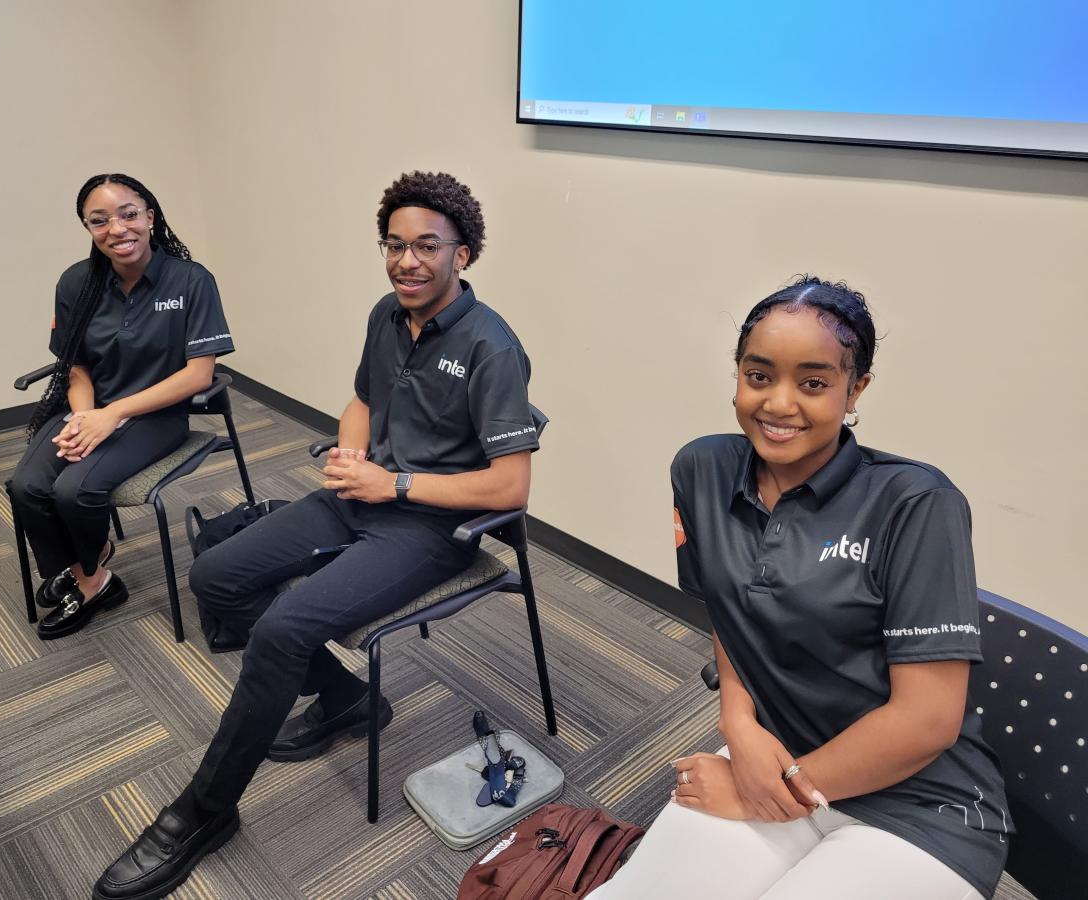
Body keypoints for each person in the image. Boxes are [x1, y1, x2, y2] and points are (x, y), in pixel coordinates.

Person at [93, 171, 543, 900]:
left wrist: (392, 484)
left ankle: (202, 812)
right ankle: (346, 699)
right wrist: (353, 451)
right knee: (215, 577)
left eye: (427, 246)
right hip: (362, 497)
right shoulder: (387, 315)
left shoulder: (493, 347)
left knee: (280, 630)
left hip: (433, 527)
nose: (407, 262)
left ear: (464, 254)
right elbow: (364, 398)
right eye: (394, 245)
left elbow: (510, 488)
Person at [590, 277, 1010, 899]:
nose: (780, 404)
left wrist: (769, 788)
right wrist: (737, 724)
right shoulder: (700, 469)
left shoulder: (917, 503)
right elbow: (730, 617)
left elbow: (927, 721)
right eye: (759, 376)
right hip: (775, 754)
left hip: (921, 806)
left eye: (813, 383)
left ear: (855, 389)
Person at [8, 173, 234, 640]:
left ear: (149, 218)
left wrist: (113, 415)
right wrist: (86, 416)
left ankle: (90, 583)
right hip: (91, 407)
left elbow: (198, 376)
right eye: (100, 221)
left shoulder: (191, 281)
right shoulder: (77, 283)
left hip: (157, 418)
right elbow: (75, 366)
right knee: (26, 484)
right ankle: (87, 568)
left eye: (129, 214)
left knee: (74, 490)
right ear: (88, 229)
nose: (117, 229)